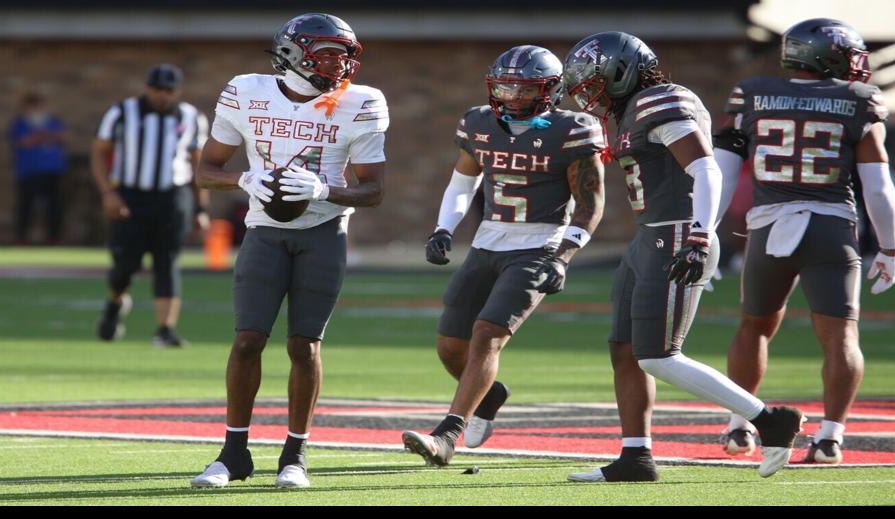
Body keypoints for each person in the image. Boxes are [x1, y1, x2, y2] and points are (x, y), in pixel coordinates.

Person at [559, 32, 805, 482]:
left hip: (675, 236)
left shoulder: (660, 101)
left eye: (593, 80)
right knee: (625, 348)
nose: (586, 91)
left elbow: (705, 167)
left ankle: (770, 420)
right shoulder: (632, 110)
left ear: (620, 71)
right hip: (646, 238)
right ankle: (636, 456)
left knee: (657, 356)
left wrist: (699, 236)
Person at [187, 13, 388, 489]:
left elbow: (375, 189)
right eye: (329, 54)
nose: (339, 66)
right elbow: (205, 169)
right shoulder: (246, 90)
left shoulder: (361, 101)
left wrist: (323, 190)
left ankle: (295, 456)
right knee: (247, 339)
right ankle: (233, 454)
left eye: (345, 56)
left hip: (324, 233)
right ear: (293, 53)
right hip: (263, 231)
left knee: (304, 344)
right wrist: (244, 178)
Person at [401, 45, 607, 466]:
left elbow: (590, 202)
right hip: (488, 241)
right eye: (505, 87)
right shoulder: (478, 122)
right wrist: (444, 228)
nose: (512, 97)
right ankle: (489, 394)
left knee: (486, 335)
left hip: (540, 243)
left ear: (550, 91)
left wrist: (564, 255)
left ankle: (447, 435)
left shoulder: (572, 130)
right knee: (449, 345)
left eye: (524, 89)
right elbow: (463, 182)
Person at [710, 18, 895, 465]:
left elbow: (721, 171)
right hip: (831, 228)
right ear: (829, 55)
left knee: (753, 327)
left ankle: (740, 427)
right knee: (841, 337)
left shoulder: (752, 93)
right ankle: (830, 437)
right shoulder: (858, 101)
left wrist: (707, 229)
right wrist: (890, 247)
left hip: (768, 228)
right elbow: (877, 185)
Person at [91, 64, 211, 347]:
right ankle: (114, 304)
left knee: (167, 262)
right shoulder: (121, 112)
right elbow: (98, 153)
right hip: (130, 196)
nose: (163, 95)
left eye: (169, 90)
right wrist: (108, 192)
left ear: (177, 91)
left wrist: (201, 208)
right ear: (147, 87)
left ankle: (165, 329)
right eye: (157, 89)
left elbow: (198, 164)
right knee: (124, 265)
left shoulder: (191, 117)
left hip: (172, 197)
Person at [10, 93, 68, 244]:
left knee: (54, 205)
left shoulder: (53, 121)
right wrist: (43, 137)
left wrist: (39, 137)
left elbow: (61, 136)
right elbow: (24, 141)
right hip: (29, 170)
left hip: (52, 169)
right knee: (26, 205)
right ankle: (21, 238)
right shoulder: (20, 123)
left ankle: (54, 237)